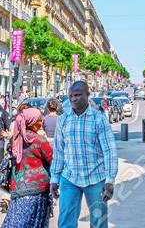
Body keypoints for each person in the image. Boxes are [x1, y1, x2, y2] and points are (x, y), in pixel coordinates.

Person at [51, 81, 118, 228]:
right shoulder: (63, 120)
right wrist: (54, 178)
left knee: (98, 222)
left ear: (88, 95)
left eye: (78, 95)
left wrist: (110, 180)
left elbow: (109, 151)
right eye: (71, 96)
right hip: (69, 178)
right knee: (65, 222)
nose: (74, 99)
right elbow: (59, 151)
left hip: (95, 178)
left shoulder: (98, 119)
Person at [1, 107, 54, 228]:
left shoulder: (16, 139)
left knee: (15, 221)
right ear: (33, 122)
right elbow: (53, 161)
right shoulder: (39, 140)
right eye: (39, 120)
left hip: (17, 189)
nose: (42, 123)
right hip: (37, 190)